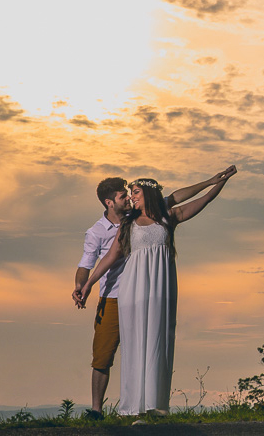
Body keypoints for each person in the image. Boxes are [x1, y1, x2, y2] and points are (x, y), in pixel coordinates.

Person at [79, 165, 237, 416]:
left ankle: (154, 404)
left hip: (161, 289)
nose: (132, 196)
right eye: (129, 193)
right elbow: (109, 257)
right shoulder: (128, 223)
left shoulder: (168, 216)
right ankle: (133, 406)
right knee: (134, 345)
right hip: (132, 290)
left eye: (136, 192)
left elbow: (203, 199)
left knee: (157, 342)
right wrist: (87, 284)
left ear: (149, 194)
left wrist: (218, 181)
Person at [73, 177, 130, 419]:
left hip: (140, 295)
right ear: (109, 202)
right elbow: (85, 264)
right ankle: (96, 410)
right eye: (122, 195)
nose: (128, 198)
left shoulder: (137, 220)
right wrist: (79, 285)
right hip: (113, 297)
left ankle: (140, 406)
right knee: (103, 356)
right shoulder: (96, 232)